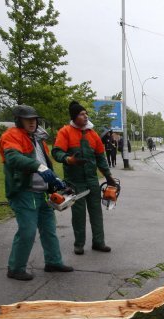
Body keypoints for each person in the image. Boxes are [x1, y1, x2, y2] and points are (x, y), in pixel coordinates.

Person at [0, 105, 73, 281]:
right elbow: (13, 158)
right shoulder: (11, 136)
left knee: (49, 229)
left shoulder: (38, 139)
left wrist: (56, 180)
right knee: (27, 231)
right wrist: (38, 167)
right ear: (19, 120)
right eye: (28, 119)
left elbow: (45, 164)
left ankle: (53, 261)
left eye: (34, 119)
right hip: (25, 192)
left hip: (42, 193)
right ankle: (15, 268)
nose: (32, 122)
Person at [52, 101, 117, 255]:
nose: (85, 116)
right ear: (74, 117)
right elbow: (56, 152)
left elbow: (100, 157)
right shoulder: (65, 132)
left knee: (96, 212)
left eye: (86, 113)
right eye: (82, 114)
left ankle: (98, 242)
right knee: (78, 214)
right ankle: (79, 244)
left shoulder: (92, 134)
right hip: (75, 182)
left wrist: (108, 176)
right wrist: (68, 159)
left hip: (92, 181)